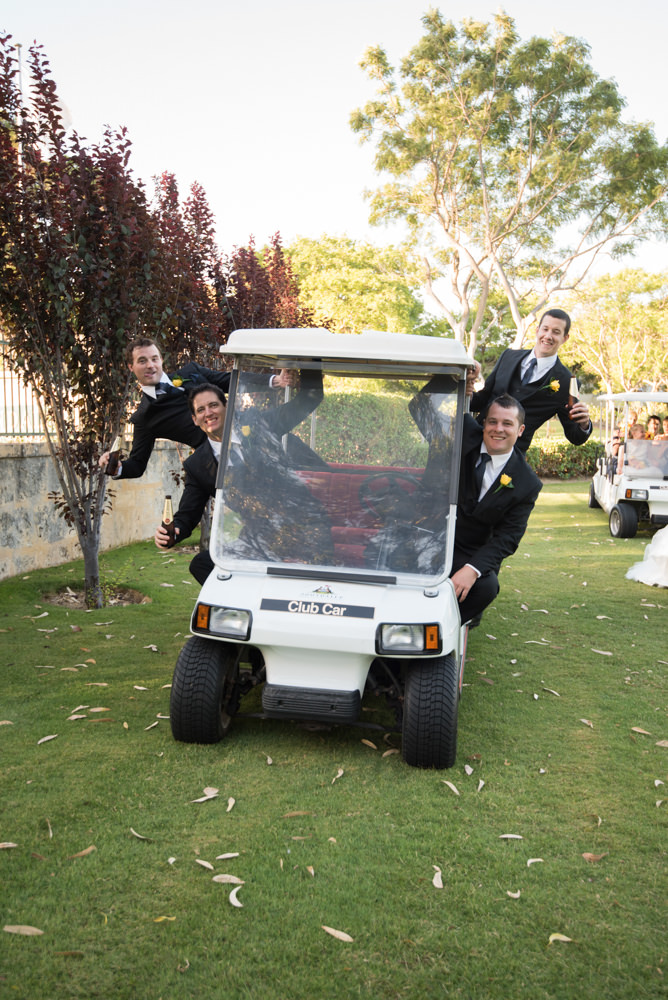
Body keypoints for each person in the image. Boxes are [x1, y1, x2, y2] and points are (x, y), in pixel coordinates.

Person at [99, 338, 291, 479]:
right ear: (130, 367)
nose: (150, 365)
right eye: (142, 361)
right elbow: (137, 464)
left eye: (154, 359)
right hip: (231, 466)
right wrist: (117, 468)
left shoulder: (191, 372)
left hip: (264, 434)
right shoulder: (144, 418)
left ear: (161, 361)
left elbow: (228, 380)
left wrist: (275, 380)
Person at [450, 394, 543, 625]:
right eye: (492, 421)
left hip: (469, 550)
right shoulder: (464, 433)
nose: (498, 429)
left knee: (487, 587)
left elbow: (508, 537)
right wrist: (461, 377)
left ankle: (441, 632)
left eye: (507, 423)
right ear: (483, 423)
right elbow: (421, 407)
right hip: (431, 536)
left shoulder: (527, 482)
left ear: (520, 430)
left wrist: (472, 569)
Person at [469, 309, 591, 453]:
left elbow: (575, 437)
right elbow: (482, 400)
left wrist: (584, 424)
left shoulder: (566, 382)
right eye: (545, 329)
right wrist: (468, 390)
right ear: (537, 330)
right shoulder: (508, 356)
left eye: (556, 332)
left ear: (565, 338)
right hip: (474, 443)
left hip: (512, 456)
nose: (548, 336)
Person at [154, 383, 227, 583]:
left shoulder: (256, 433)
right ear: (195, 419)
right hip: (254, 539)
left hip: (296, 523)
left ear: (226, 408)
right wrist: (171, 533)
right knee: (201, 564)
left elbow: (304, 403)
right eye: (201, 410)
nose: (208, 413)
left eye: (214, 405)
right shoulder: (196, 465)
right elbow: (187, 515)